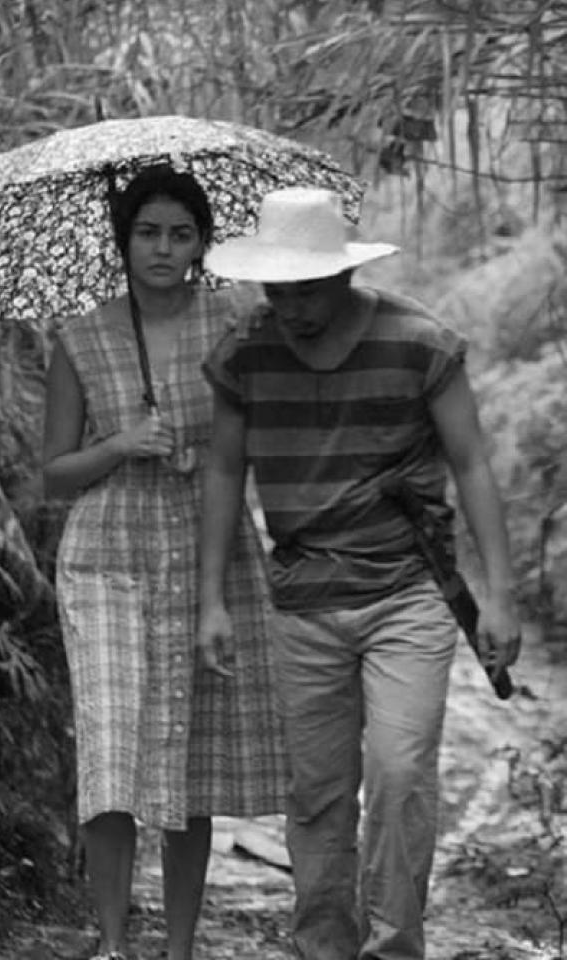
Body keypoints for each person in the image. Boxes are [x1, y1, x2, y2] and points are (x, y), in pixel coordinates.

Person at [198, 186, 521, 960]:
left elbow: (472, 463)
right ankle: (323, 947)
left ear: (344, 276)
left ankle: (394, 946)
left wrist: (500, 599)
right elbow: (222, 470)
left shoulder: (420, 343)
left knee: (402, 772)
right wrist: (211, 598)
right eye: (278, 290)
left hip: (407, 594)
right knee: (317, 795)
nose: (292, 307)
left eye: (307, 290)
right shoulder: (246, 351)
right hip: (303, 599)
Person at [42, 165, 284, 960]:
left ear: (201, 245)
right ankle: (113, 944)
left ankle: (178, 949)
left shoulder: (234, 323)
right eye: (148, 231)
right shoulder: (80, 335)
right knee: (110, 750)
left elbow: (243, 449)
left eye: (181, 234)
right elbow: (52, 475)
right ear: (125, 239)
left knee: (191, 757)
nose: (163, 248)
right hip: (106, 555)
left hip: (207, 547)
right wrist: (118, 443)